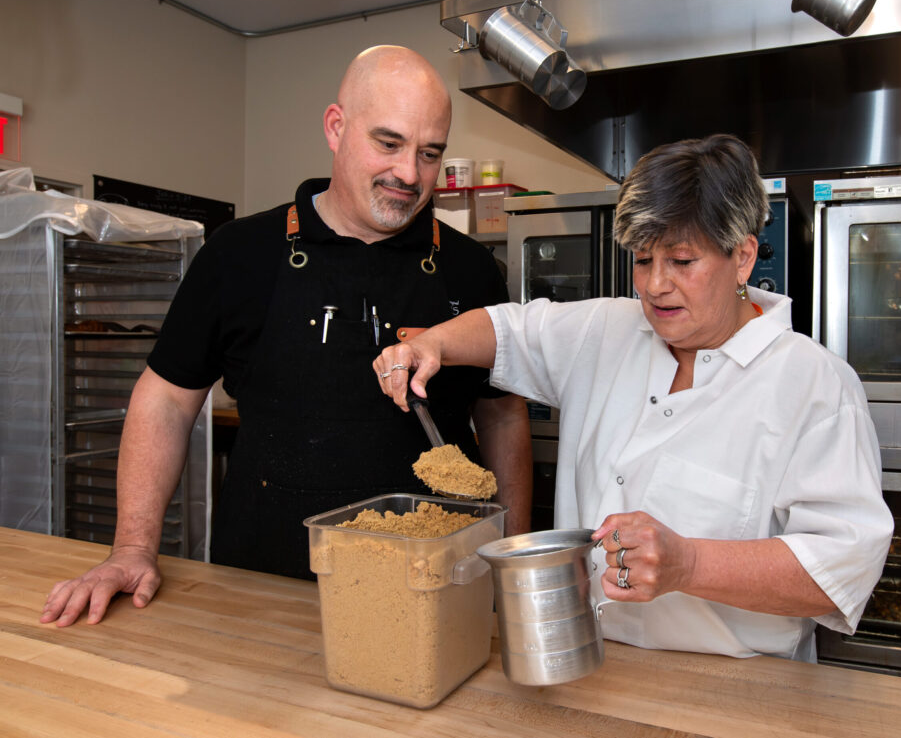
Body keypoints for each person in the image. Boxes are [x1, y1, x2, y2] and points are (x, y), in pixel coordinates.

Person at [40, 45, 532, 627]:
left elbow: (502, 415)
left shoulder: (469, 268)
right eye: (389, 143)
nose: (409, 174)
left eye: (430, 153)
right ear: (336, 127)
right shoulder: (241, 254)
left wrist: (512, 564)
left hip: (434, 588)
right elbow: (167, 399)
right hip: (265, 583)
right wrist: (131, 548)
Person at [372, 133, 893, 661]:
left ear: (742, 258)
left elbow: (839, 570)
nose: (655, 285)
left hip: (736, 691)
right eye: (643, 260)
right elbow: (511, 330)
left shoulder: (814, 385)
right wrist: (433, 343)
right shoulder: (607, 330)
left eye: (682, 261)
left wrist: (689, 564)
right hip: (588, 663)